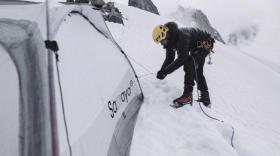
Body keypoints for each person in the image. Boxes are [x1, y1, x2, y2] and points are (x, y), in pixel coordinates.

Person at [152, 22, 215, 108]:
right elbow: (170, 58)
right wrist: (162, 71)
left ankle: (187, 96)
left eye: (162, 41)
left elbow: (182, 59)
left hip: (206, 43)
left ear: (166, 35)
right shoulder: (170, 42)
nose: (161, 44)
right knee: (197, 71)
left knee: (189, 63)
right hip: (198, 46)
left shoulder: (182, 36)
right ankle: (206, 100)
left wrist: (166, 71)